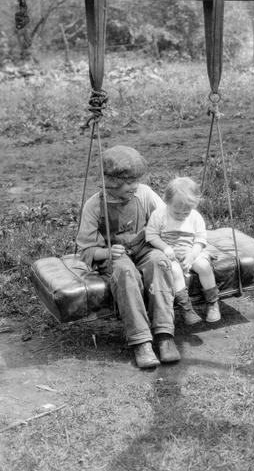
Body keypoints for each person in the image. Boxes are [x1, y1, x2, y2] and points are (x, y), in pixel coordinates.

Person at [76, 145, 180, 370]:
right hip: (115, 256)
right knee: (125, 272)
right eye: (129, 182)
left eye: (137, 180)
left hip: (143, 248)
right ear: (112, 182)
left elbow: (165, 219)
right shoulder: (95, 205)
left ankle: (164, 334)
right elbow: (85, 250)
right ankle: (141, 340)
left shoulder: (143, 194)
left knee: (159, 263)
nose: (135, 186)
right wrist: (106, 252)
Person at [145, 176, 221, 324]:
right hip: (169, 253)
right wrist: (164, 247)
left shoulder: (195, 217)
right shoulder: (159, 215)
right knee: (174, 271)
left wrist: (192, 255)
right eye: (176, 212)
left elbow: (200, 239)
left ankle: (212, 303)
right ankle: (186, 309)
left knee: (204, 266)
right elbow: (151, 235)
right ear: (167, 202)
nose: (181, 216)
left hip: (190, 251)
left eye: (186, 213)